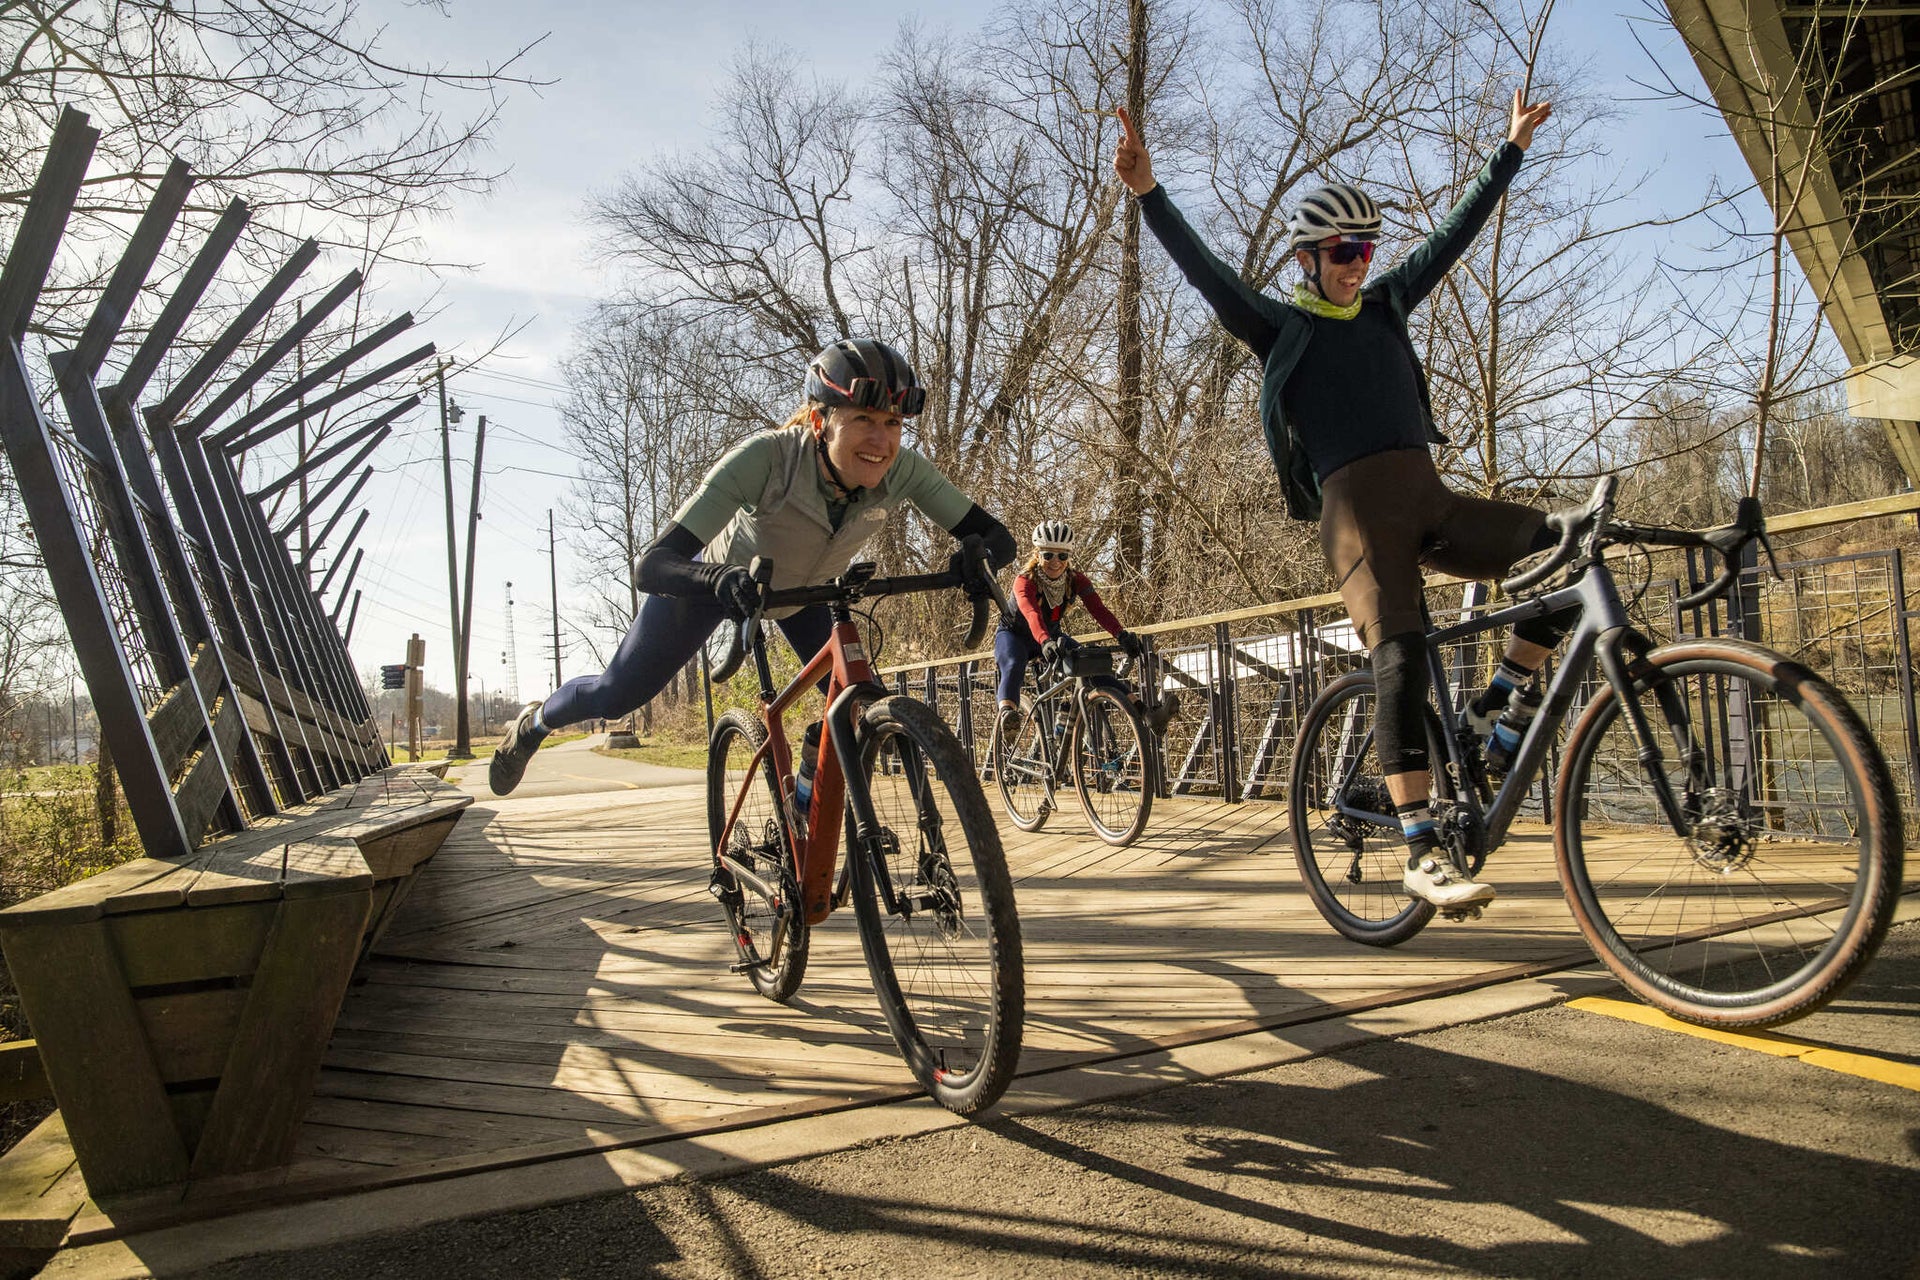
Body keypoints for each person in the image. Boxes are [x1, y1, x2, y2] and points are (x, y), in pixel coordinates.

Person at [1114, 90, 1570, 912]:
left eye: (1365, 247)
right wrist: (1151, 195)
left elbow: (1453, 236)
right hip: (1357, 520)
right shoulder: (1285, 328)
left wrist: (1509, 150)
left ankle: (1495, 708)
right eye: (1342, 251)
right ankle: (1422, 849)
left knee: (1557, 546)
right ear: (1308, 260)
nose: (1358, 261)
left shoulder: (1389, 305)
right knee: (1401, 654)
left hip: (1428, 499)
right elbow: (1209, 275)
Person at [488, 338, 1018, 796]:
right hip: (713, 586)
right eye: (862, 419)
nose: (881, 441)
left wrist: (977, 557)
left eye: (892, 423)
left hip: (805, 592)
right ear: (819, 421)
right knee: (617, 694)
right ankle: (534, 724)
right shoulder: (765, 459)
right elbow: (651, 565)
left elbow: (997, 536)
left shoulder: (903, 470)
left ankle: (807, 795)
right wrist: (718, 578)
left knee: (860, 708)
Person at [993, 520, 1142, 736]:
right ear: (1038, 555)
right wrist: (1044, 640)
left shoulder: (1076, 580)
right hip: (1015, 636)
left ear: (1069, 557)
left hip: (1050, 638)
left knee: (1092, 666)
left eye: (1062, 556)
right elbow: (1031, 613)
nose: (1055, 562)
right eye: (1048, 555)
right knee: (1013, 663)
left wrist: (1121, 635)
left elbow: (1098, 610)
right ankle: (1009, 716)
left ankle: (1142, 710)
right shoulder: (1024, 581)